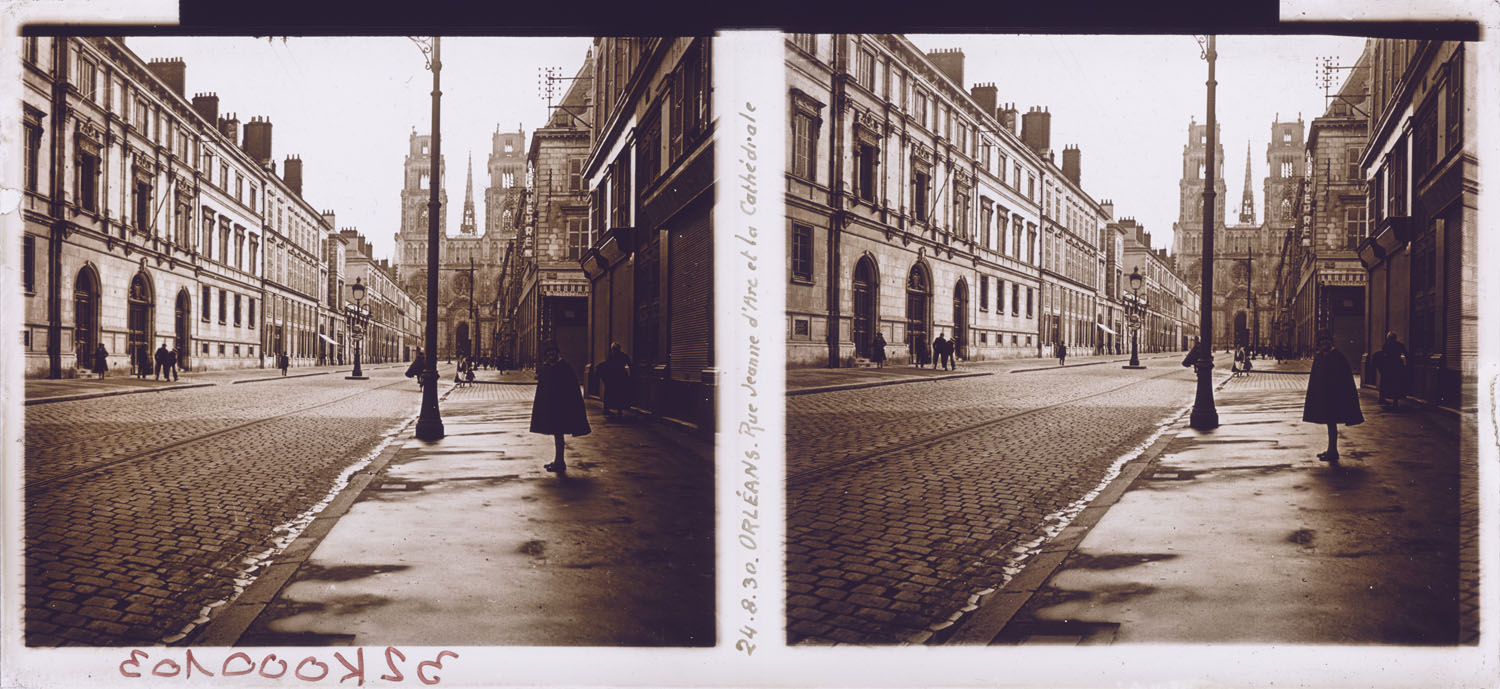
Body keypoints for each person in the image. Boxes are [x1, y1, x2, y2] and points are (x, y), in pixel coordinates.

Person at [1303, 332, 1363, 465]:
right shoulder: (1322, 356)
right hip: (1326, 396)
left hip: (1334, 397)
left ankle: (1333, 451)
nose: (1324, 344)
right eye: (1321, 342)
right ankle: (1331, 449)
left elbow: (1341, 377)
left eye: (1326, 341)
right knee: (1330, 424)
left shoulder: (1336, 356)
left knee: (1331, 423)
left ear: (1330, 342)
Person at [530, 343, 590, 475]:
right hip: (552, 406)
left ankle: (560, 461)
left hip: (562, 407)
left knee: (558, 434)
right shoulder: (548, 368)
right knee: (557, 434)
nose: (551, 355)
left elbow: (571, 388)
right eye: (549, 353)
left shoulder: (564, 367)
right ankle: (558, 460)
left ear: (557, 353)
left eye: (553, 353)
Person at [600, 342, 634, 418]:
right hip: (618, 377)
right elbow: (629, 364)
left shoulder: (611, 356)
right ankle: (617, 409)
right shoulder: (622, 356)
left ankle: (610, 409)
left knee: (612, 393)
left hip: (614, 377)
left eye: (614, 349)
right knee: (619, 393)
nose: (614, 351)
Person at [1377, 331, 1409, 411]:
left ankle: (1382, 398)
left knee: (1385, 382)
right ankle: (1395, 400)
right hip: (1397, 365)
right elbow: (1406, 354)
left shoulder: (1386, 345)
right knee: (1397, 383)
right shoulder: (1400, 345)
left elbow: (1383, 355)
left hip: (1388, 366)